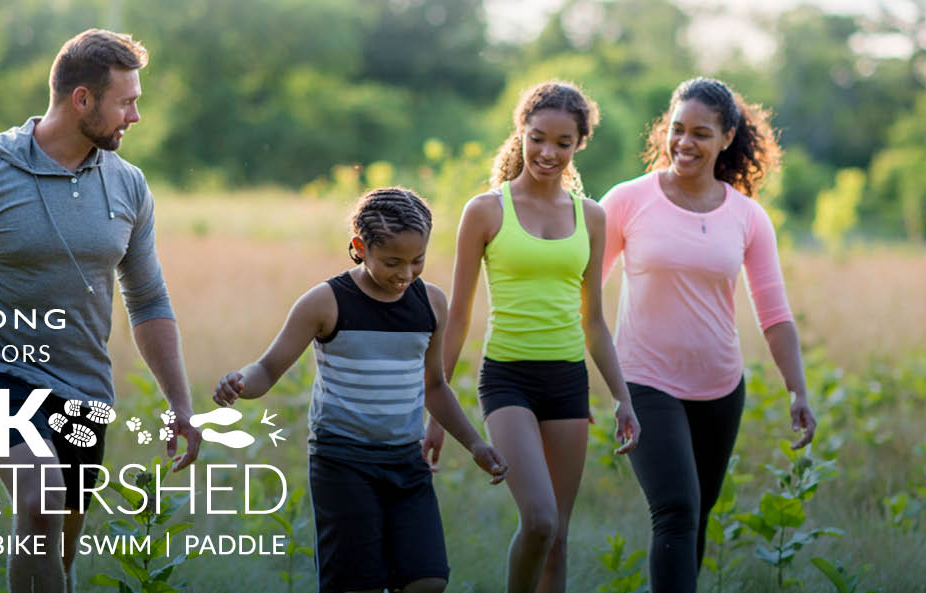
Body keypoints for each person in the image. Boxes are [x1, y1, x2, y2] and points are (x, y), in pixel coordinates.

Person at [0, 29, 201, 593]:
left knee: (59, 547)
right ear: (82, 99)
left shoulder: (129, 186)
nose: (135, 116)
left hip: (85, 387)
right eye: (126, 102)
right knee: (39, 496)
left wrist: (180, 403)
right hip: (1, 372)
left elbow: (148, 300)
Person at [213, 187, 508, 593]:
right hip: (342, 462)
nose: (405, 274)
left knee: (429, 581)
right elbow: (267, 367)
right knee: (358, 586)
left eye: (417, 260)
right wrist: (240, 384)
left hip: (406, 461)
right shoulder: (325, 303)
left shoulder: (431, 304)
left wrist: (476, 444)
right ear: (359, 247)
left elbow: (435, 385)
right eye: (392, 262)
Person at [599, 77, 817, 593]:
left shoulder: (747, 216)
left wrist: (798, 389)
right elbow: (583, 291)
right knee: (674, 510)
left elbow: (774, 312)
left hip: (720, 389)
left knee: (695, 515)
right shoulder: (628, 201)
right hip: (646, 382)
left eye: (700, 133)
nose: (684, 144)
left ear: (727, 137)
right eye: (677, 130)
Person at [424, 81, 641, 593]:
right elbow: (458, 317)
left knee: (558, 538)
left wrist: (623, 398)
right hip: (508, 381)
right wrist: (437, 407)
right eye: (538, 137)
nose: (548, 152)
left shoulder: (591, 217)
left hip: (567, 383)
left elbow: (594, 322)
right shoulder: (486, 211)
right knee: (540, 519)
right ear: (521, 132)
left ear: (578, 144)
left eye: (562, 142)